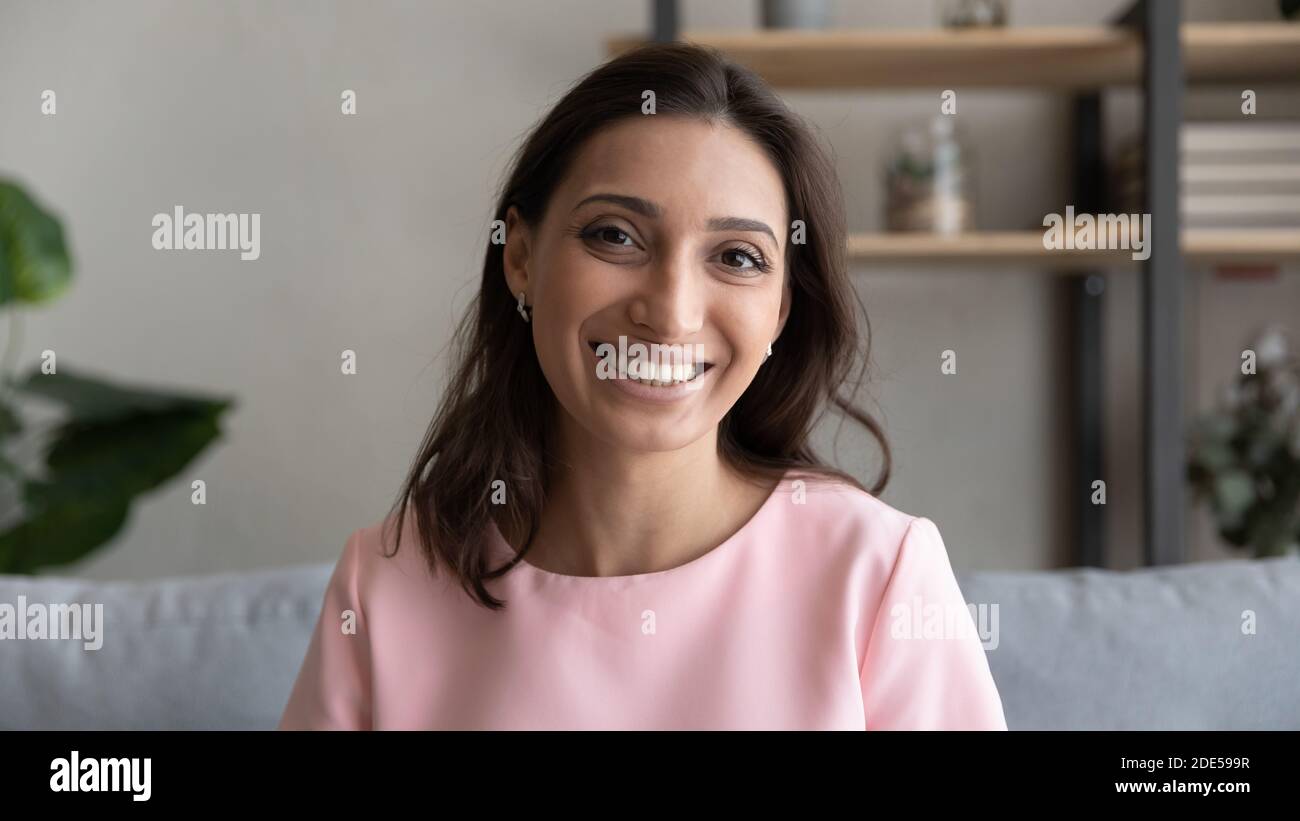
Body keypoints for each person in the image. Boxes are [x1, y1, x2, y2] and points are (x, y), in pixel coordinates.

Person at [278, 42, 1007, 731]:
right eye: (616, 236)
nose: (670, 311)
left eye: (737, 256)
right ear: (522, 256)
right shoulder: (386, 582)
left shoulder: (879, 574)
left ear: (781, 308)